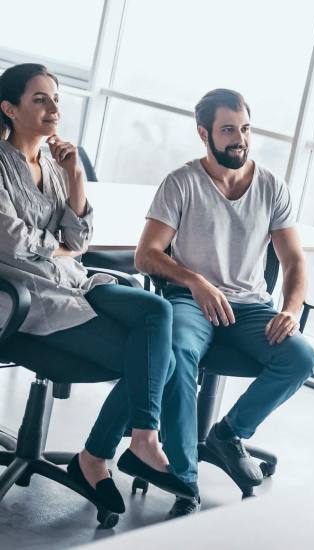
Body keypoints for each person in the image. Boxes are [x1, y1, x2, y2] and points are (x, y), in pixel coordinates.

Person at [0, 63, 195, 515]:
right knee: (154, 364)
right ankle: (97, 457)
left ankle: (139, 439)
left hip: (75, 284)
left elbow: (81, 240)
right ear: (9, 109)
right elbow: (12, 244)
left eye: (56, 99)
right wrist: (61, 249)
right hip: (26, 300)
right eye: (40, 99)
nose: (53, 109)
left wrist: (76, 179)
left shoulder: (53, 162)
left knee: (156, 312)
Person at [135, 88, 314, 516]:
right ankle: (184, 476)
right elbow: (146, 255)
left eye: (246, 129)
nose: (241, 139)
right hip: (191, 301)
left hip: (251, 307)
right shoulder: (181, 183)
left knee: (301, 357)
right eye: (229, 130)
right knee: (178, 354)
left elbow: (294, 260)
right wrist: (195, 281)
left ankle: (230, 433)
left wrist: (290, 309)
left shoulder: (272, 186)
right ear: (205, 134)